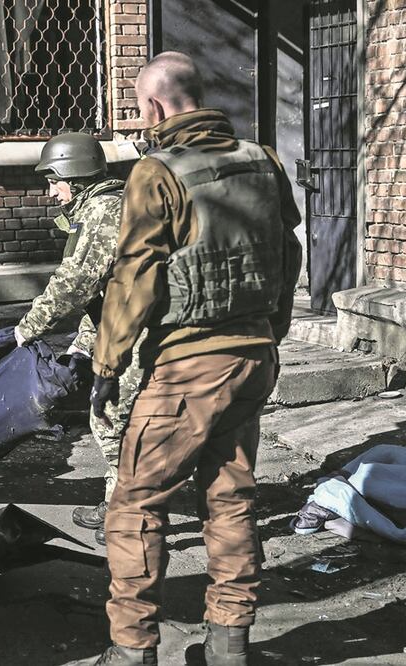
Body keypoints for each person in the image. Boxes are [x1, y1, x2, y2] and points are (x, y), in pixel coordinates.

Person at [67, 52, 303, 666]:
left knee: (136, 505)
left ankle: (132, 651)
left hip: (188, 364)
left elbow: (135, 277)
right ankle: (228, 646)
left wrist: (106, 363)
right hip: (253, 356)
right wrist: (270, 329)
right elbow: (288, 250)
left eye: (141, 109)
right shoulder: (262, 160)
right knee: (230, 498)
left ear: (154, 106)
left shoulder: (156, 173)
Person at [13, 133, 145, 545]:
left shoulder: (104, 210)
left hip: (141, 335)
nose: (51, 192)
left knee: (110, 419)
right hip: (127, 326)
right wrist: (82, 342)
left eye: (54, 181)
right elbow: (107, 289)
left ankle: (127, 516)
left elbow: (75, 284)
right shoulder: (106, 206)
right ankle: (123, 504)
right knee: (120, 420)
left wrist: (27, 328)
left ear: (74, 174)